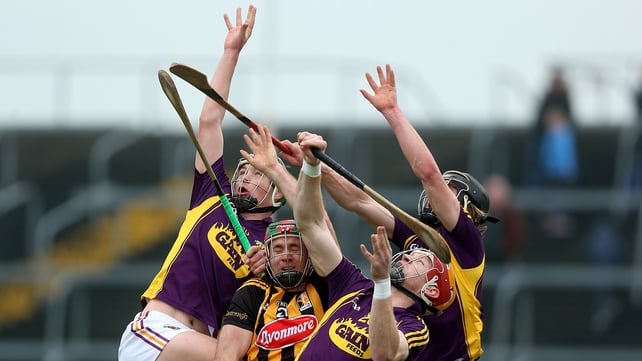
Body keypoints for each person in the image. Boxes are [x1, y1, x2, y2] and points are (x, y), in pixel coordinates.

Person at [118, 6, 300, 361]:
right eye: (244, 169)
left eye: (259, 174)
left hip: (210, 344)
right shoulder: (211, 195)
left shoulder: (276, 246)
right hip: (156, 332)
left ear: (278, 195)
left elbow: (314, 224)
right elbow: (209, 122)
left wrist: (290, 171)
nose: (245, 175)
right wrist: (232, 51)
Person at [281, 64, 495, 361]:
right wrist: (314, 165)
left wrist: (392, 111)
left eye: (451, 191)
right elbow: (359, 202)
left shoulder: (467, 245)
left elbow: (429, 174)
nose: (437, 195)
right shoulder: (417, 241)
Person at [292, 131, 455, 361]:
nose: (406, 257)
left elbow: (384, 353)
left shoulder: (414, 328)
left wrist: (381, 282)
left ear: (431, 290)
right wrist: (311, 167)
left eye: (420, 261)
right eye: (409, 254)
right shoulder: (354, 287)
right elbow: (311, 224)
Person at [213, 219, 328, 361]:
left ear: (309, 253)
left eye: (294, 248)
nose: (286, 257)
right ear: (267, 256)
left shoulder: (326, 286)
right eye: (278, 250)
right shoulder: (252, 292)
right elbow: (227, 354)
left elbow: (326, 234)